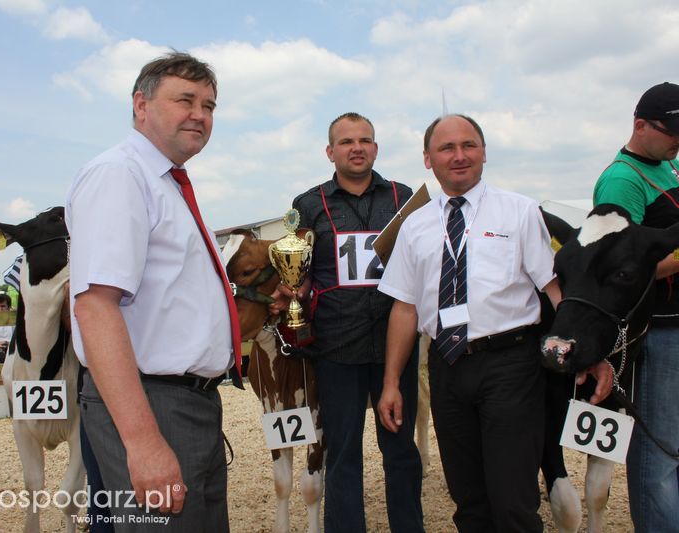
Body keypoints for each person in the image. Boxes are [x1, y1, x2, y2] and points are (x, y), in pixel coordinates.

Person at [377, 114, 613, 532]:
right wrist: (392, 383)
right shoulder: (414, 226)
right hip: (448, 369)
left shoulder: (520, 212)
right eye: (447, 148)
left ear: (484, 152)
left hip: (510, 367)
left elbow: (556, 289)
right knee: (469, 503)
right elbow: (405, 308)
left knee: (514, 503)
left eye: (468, 145)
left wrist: (588, 354)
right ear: (428, 159)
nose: (459, 155)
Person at [66, 51, 240, 531]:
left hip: (187, 403)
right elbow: (96, 307)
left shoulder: (165, 182)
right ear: (141, 105)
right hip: (152, 403)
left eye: (209, 106)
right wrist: (143, 442)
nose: (200, 115)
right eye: (185, 99)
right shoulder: (119, 175)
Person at [289, 112, 424, 533]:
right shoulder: (307, 205)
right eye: (346, 142)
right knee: (343, 452)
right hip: (337, 345)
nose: (357, 148)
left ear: (376, 148)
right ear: (331, 152)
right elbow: (300, 269)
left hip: (395, 346)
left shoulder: (405, 197)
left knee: (401, 449)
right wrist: (292, 291)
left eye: (365, 140)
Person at [593, 81, 679, 531]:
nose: (678, 141)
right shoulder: (622, 180)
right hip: (659, 329)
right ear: (640, 125)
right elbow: (615, 267)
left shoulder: (670, 164)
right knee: (658, 455)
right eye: (672, 131)